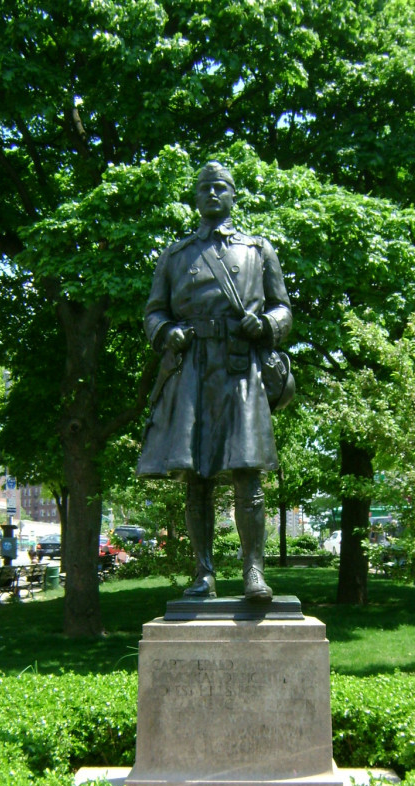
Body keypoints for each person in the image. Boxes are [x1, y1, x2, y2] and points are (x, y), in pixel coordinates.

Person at [137, 161, 293, 602]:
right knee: (198, 477)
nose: (212, 194)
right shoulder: (176, 254)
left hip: (241, 368)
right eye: (205, 188)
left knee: (247, 472)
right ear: (196, 197)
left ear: (232, 196)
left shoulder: (258, 251)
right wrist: (167, 331)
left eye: (220, 187)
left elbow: (283, 309)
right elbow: (154, 311)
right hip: (192, 371)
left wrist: (264, 325)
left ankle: (254, 573)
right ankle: (204, 572)